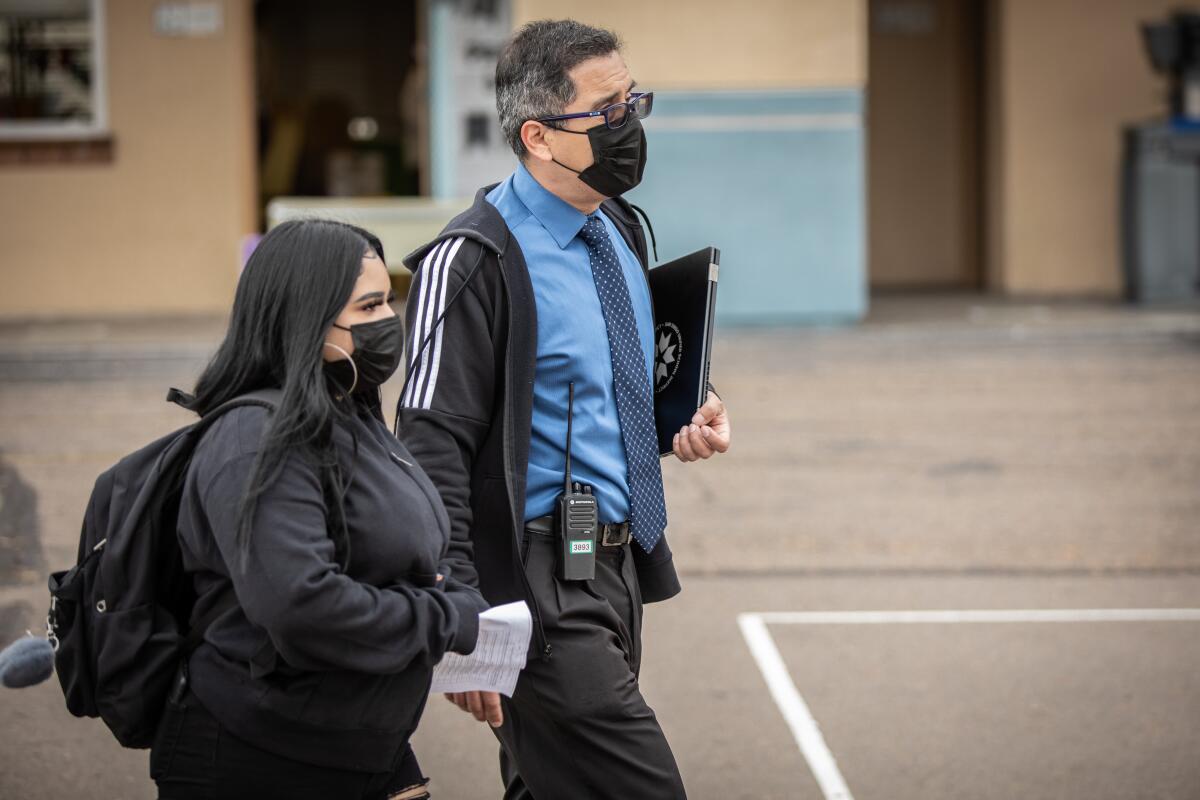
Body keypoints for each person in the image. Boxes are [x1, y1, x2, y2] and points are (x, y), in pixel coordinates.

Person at [396, 19, 731, 799]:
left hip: (610, 566)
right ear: (539, 136)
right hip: (535, 584)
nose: (630, 125)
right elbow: (430, 446)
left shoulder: (613, 227)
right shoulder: (471, 259)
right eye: (608, 112)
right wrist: (460, 617)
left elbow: (622, 379)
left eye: (634, 101)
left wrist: (694, 406)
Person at [152, 219, 487, 800]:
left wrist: (462, 606)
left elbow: (396, 553)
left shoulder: (350, 411)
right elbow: (301, 604)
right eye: (371, 306)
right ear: (308, 319)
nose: (390, 322)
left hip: (359, 745)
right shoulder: (256, 437)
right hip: (261, 755)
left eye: (391, 300)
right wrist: (447, 621)